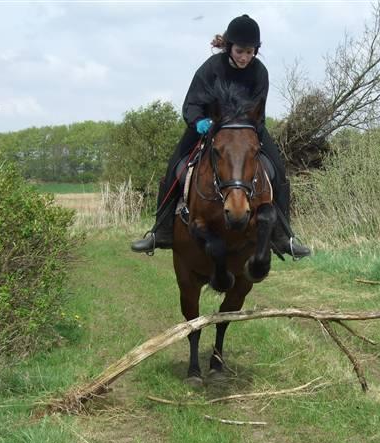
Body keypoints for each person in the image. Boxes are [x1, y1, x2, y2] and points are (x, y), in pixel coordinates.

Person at [131, 14, 310, 259]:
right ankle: (160, 232)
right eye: (240, 51)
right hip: (207, 126)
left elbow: (258, 111)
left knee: (277, 170)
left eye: (249, 52)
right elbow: (191, 104)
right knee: (176, 168)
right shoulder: (211, 68)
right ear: (229, 47)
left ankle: (283, 236)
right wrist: (199, 123)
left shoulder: (260, 72)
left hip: (248, 128)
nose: (245, 57)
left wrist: (251, 131)